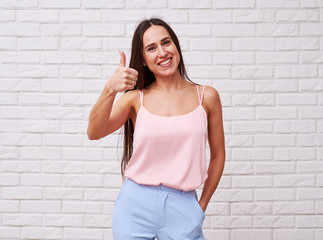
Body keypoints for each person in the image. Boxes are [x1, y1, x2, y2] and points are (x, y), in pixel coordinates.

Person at [87, 18, 225, 240]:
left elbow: (218, 156)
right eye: (151, 48)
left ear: (176, 46)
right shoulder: (134, 99)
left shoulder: (207, 97)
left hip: (183, 207)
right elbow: (93, 132)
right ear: (143, 59)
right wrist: (110, 89)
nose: (162, 52)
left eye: (166, 43)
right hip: (135, 207)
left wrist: (201, 206)